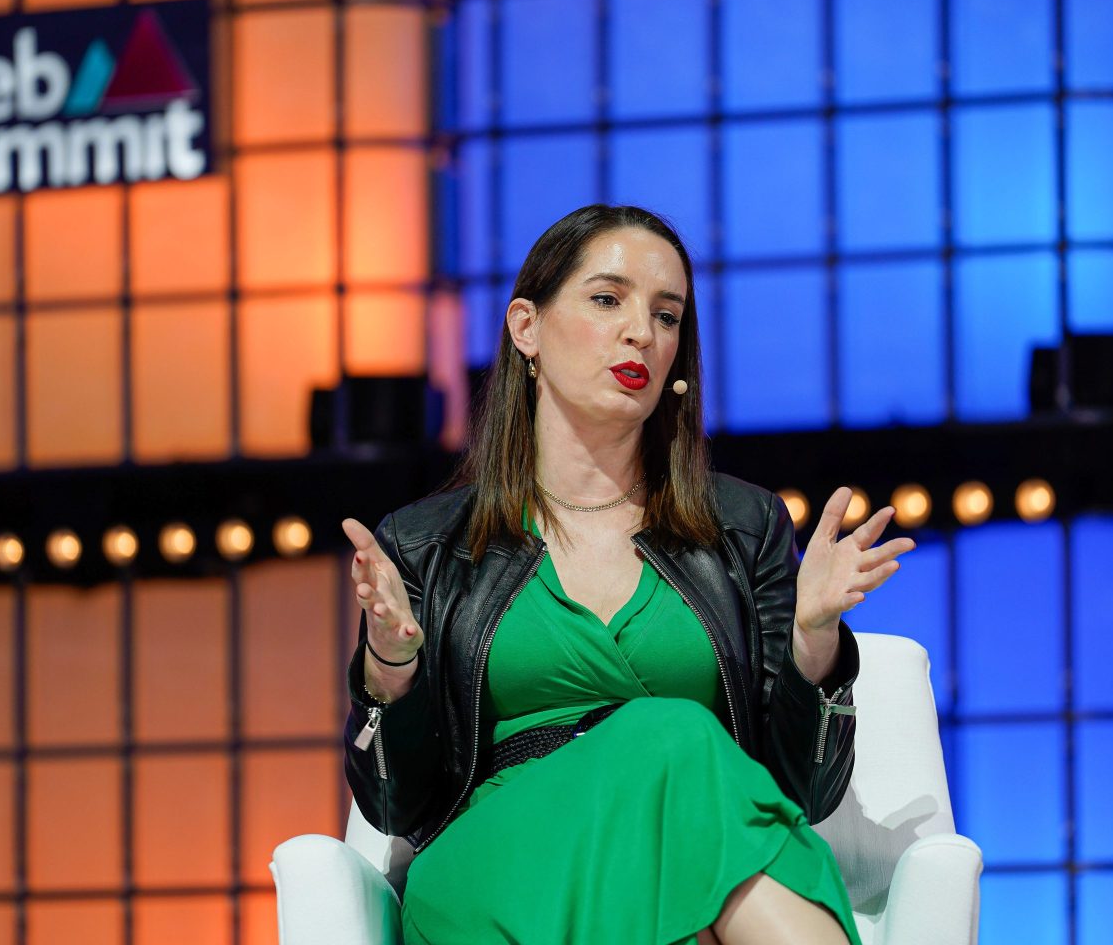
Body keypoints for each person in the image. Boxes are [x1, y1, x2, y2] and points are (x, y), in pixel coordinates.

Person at [340, 204, 914, 945]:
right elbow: (396, 806)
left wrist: (814, 642)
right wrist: (390, 667)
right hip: (498, 860)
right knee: (670, 730)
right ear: (526, 328)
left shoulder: (743, 527)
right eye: (608, 299)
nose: (642, 331)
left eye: (667, 315)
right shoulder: (427, 543)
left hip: (680, 847)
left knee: (687, 815)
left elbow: (800, 793)